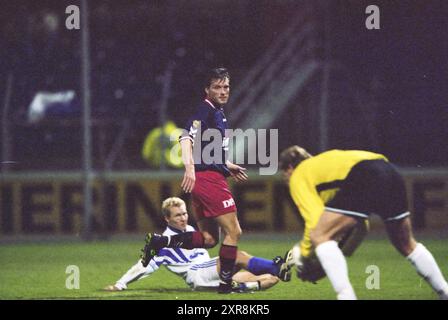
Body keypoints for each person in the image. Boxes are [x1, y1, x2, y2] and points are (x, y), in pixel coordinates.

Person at [141, 68, 285, 293]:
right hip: (208, 180)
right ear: (206, 90)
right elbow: (185, 136)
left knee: (209, 239)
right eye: (217, 87)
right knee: (234, 233)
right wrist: (189, 168)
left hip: (206, 178)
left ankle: (161, 243)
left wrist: (227, 165)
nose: (223, 91)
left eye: (226, 86)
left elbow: (208, 151)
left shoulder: (217, 113)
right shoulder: (205, 110)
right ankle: (226, 284)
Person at [280, 146, 448, 300]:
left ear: (289, 168)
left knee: (320, 235)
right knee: (406, 244)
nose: (286, 179)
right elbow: (361, 226)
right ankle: (444, 291)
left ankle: (346, 296)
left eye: (284, 174)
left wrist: (304, 257)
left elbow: (316, 223)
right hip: (389, 170)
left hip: (364, 174)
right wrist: (334, 257)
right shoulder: (322, 169)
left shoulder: (299, 175)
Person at [106, 197, 284, 292]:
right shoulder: (165, 242)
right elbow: (143, 266)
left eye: (184, 213)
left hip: (209, 271)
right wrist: (120, 284)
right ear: (167, 218)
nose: (183, 218)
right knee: (238, 255)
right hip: (197, 273)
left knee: (270, 279)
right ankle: (277, 266)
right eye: (177, 215)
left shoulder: (190, 229)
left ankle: (240, 288)